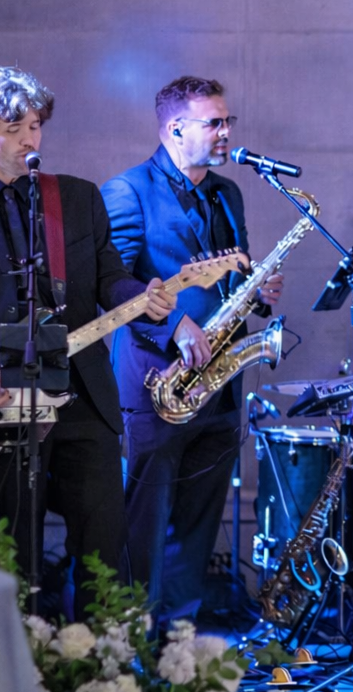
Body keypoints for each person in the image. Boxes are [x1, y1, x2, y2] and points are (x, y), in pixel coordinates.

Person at [0, 66, 176, 617]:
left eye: (36, 126)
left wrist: (142, 295)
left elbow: (110, 278)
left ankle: (101, 657)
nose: (30, 139)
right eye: (14, 128)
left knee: (103, 547)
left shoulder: (77, 197)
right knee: (10, 551)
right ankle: (14, 658)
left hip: (82, 393)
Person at [102, 76, 282, 625]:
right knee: (142, 529)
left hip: (219, 387)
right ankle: (127, 646)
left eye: (228, 121)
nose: (226, 132)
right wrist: (174, 323)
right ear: (176, 128)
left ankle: (177, 648)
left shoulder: (228, 193)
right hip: (156, 385)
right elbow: (113, 284)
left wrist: (256, 292)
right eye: (214, 123)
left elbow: (231, 275)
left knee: (197, 532)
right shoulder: (128, 191)